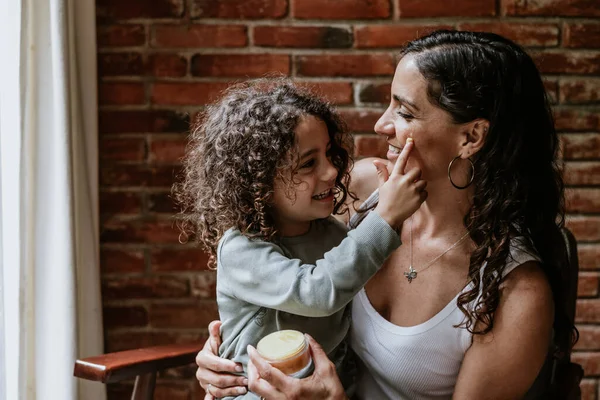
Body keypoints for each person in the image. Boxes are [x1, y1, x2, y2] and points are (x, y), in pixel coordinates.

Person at [194, 30, 576, 399]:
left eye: (405, 112)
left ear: (471, 137)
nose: (382, 124)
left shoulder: (517, 293)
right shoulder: (361, 189)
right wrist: (226, 355)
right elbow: (277, 273)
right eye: (390, 103)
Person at [173, 80, 427, 399]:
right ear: (260, 182)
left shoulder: (333, 233)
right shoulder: (240, 247)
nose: (331, 171)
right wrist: (385, 218)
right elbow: (316, 292)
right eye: (309, 163)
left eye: (329, 154)